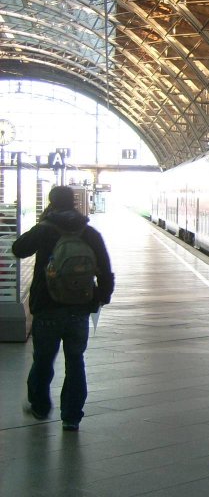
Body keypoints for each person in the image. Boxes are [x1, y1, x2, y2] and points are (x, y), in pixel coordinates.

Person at [12, 185, 114, 431]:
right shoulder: (89, 232)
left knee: (43, 360)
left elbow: (18, 249)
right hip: (79, 308)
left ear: (52, 203)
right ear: (74, 203)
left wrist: (43, 222)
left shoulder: (45, 229)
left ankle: (39, 406)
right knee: (76, 361)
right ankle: (71, 417)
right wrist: (100, 297)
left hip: (47, 306)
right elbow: (106, 270)